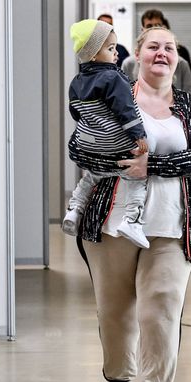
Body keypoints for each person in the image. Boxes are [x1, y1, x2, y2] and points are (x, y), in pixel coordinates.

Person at [75, 24, 191, 382]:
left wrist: (151, 165)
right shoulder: (113, 95)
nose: (162, 53)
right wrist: (120, 162)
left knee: (161, 312)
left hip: (171, 226)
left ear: (177, 58)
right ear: (137, 54)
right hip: (112, 226)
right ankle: (120, 377)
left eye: (169, 48)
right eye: (153, 46)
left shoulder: (189, 106)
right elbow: (78, 147)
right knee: (115, 316)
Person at [63, 19, 149, 248]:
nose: (116, 54)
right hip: (114, 140)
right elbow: (125, 109)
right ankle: (132, 221)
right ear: (92, 54)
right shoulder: (114, 77)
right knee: (136, 178)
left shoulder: (76, 81)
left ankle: (73, 210)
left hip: (88, 141)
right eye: (110, 49)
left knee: (92, 175)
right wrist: (139, 135)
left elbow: (76, 113)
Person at [123, 8, 191, 96]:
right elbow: (123, 97)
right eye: (149, 26)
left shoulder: (181, 63)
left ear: (164, 27)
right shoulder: (128, 64)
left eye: (157, 25)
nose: (153, 29)